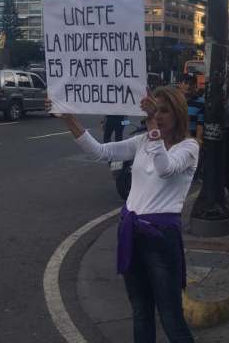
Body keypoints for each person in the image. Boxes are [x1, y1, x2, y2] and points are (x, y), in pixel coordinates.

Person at [46, 87, 198, 343]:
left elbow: (165, 169)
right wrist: (69, 119)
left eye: (164, 111)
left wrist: (151, 126)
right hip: (132, 233)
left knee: (171, 317)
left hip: (161, 239)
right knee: (140, 312)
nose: (158, 116)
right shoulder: (141, 142)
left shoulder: (189, 147)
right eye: (154, 110)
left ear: (178, 114)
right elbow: (101, 152)